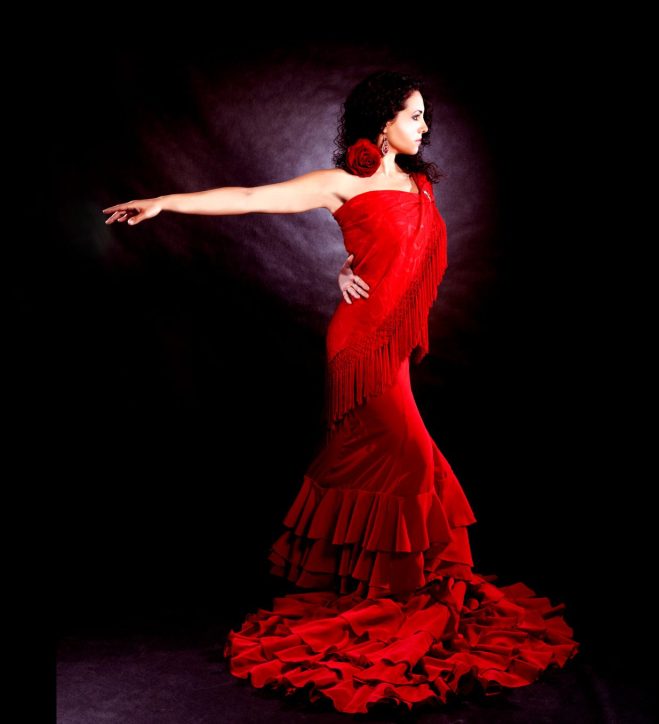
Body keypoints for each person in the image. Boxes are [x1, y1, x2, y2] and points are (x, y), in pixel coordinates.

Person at [101, 70, 579, 715]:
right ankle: (412, 591)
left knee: (384, 462)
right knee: (411, 459)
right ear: (381, 121)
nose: (425, 127)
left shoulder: (419, 183)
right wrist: (165, 201)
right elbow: (249, 196)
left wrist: (350, 264)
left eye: (425, 117)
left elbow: (404, 252)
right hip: (359, 345)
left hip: (393, 344)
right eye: (414, 116)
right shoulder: (339, 183)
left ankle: (392, 585)